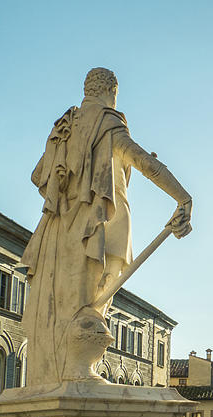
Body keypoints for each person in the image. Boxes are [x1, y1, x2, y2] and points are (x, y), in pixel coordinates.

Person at [22, 67, 192, 385]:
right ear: (112, 91)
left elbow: (38, 176)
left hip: (56, 230)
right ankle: (78, 372)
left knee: (60, 304)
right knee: (91, 306)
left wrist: (93, 176)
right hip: (92, 231)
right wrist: (183, 197)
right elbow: (147, 163)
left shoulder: (64, 127)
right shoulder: (107, 122)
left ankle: (53, 376)